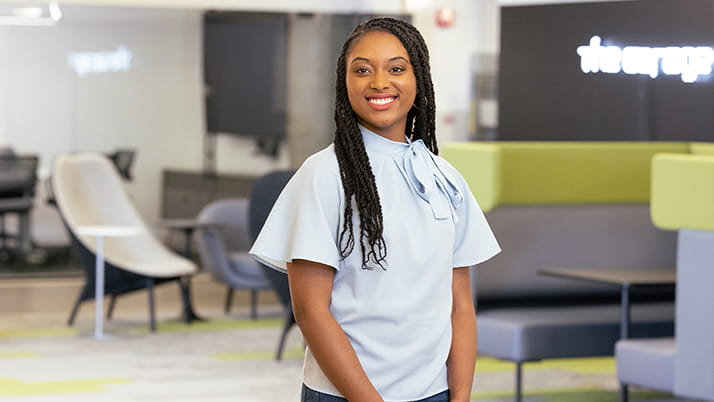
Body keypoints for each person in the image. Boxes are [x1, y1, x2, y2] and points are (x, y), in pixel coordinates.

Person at [250, 17, 500, 402]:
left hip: (435, 393)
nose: (379, 82)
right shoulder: (323, 173)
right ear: (343, 83)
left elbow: (460, 305)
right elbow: (311, 312)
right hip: (345, 394)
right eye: (362, 70)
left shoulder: (445, 178)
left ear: (419, 81)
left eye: (396, 69)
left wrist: (461, 396)